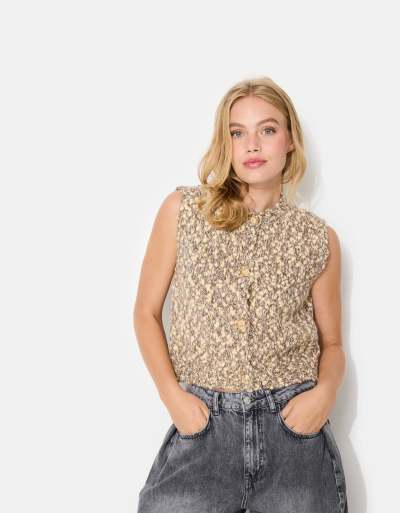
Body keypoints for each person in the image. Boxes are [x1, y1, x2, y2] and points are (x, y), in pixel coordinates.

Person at [133, 76, 349, 513]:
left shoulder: (317, 238)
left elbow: (332, 344)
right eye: (237, 133)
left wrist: (323, 395)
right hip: (203, 428)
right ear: (225, 143)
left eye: (267, 130)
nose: (252, 145)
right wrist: (173, 398)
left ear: (290, 140)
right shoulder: (183, 211)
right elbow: (145, 313)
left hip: (293, 435)